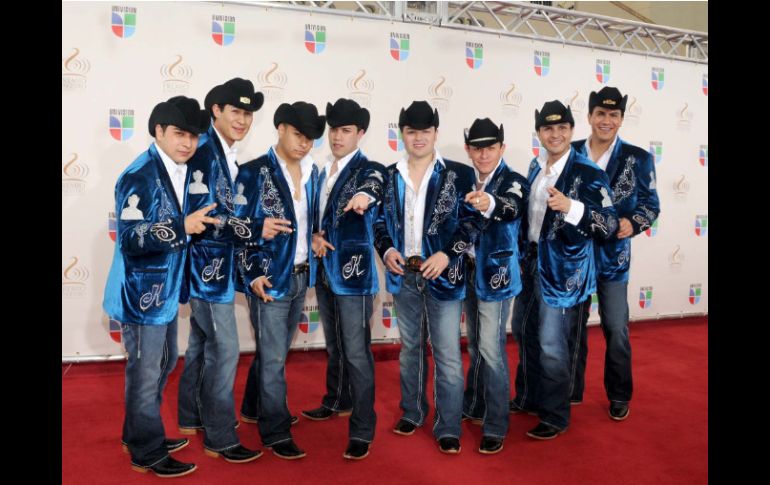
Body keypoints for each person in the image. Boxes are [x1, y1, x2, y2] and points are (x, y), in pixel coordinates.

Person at [103, 96, 216, 477]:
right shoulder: (139, 174)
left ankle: (137, 433)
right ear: (159, 131)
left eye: (194, 136)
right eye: (180, 134)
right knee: (146, 371)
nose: (188, 143)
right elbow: (130, 238)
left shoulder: (180, 169)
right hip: (140, 294)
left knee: (162, 363)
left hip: (164, 293)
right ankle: (147, 452)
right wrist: (181, 227)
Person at [509, 100, 618, 440]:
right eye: (548, 128)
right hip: (530, 264)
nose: (554, 134)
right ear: (539, 132)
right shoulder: (535, 166)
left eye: (561, 128)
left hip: (564, 273)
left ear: (571, 130)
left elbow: (610, 224)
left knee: (552, 344)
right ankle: (529, 397)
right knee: (523, 331)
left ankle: (555, 415)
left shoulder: (589, 172)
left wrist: (573, 207)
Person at [373, 101, 477, 454]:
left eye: (425, 131)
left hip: (444, 276)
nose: (418, 138)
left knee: (447, 353)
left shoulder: (459, 174)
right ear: (402, 133)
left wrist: (447, 254)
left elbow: (471, 222)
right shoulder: (389, 175)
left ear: (436, 133)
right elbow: (378, 222)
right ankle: (412, 412)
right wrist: (387, 250)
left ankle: (448, 425)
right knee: (410, 349)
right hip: (405, 274)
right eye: (411, 131)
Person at [176, 78, 264, 464]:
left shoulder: (223, 152)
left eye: (248, 113)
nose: (242, 120)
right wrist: (255, 228)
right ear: (216, 111)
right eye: (235, 111)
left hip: (217, 269)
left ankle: (190, 417)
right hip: (206, 269)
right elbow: (206, 220)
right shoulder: (204, 152)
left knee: (201, 345)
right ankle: (221, 436)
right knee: (225, 348)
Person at [234, 101, 325, 460]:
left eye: (310, 138)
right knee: (273, 359)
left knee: (274, 352)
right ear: (281, 128)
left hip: (301, 275)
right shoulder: (253, 173)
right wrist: (252, 272)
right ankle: (275, 431)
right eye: (299, 135)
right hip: (268, 278)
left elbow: (308, 223)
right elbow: (240, 229)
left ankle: (253, 407)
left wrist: (314, 238)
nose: (304, 143)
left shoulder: (314, 172)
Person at [568, 86, 660, 421]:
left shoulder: (639, 158)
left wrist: (632, 223)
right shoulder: (570, 152)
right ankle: (570, 390)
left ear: (621, 119)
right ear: (589, 116)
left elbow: (651, 206)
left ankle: (620, 394)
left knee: (617, 328)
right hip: (573, 256)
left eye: (613, 115)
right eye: (600, 114)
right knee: (571, 328)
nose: (606, 121)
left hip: (613, 259)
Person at [301, 98, 386, 460]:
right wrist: (315, 237)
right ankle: (337, 399)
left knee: (356, 352)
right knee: (335, 346)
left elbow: (375, 183)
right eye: (334, 129)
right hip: (325, 273)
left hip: (354, 278)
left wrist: (364, 196)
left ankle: (363, 429)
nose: (337, 136)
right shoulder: (322, 172)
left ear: (360, 133)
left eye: (346, 130)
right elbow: (319, 221)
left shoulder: (370, 168)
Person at [459, 118, 529, 454]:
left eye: (490, 147)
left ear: (502, 148)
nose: (484, 154)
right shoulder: (463, 179)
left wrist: (490, 203)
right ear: (468, 149)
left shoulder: (514, 180)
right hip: (468, 273)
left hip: (497, 278)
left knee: (491, 348)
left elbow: (512, 205)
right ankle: (475, 404)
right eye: (477, 148)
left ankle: (496, 424)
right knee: (475, 345)